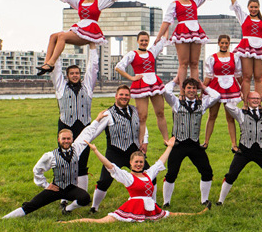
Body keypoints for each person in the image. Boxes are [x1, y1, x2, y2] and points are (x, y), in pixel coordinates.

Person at [62, 137, 211, 223]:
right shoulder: (127, 177)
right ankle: (66, 223)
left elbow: (160, 162)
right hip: (132, 206)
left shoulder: (148, 174)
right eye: (136, 162)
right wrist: (96, 151)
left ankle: (198, 214)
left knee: (169, 214)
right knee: (101, 222)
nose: (139, 164)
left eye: (141, 162)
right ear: (131, 163)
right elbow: (110, 165)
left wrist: (170, 147)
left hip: (150, 206)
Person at [2, 112, 108, 218]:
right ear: (58, 139)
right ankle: (4, 218)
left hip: (71, 189)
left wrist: (97, 120)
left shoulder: (77, 148)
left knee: (85, 198)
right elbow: (37, 170)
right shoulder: (50, 155)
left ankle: (67, 209)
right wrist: (46, 185)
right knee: (31, 205)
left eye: (68, 139)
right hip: (55, 189)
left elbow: (87, 133)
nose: (66, 141)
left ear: (72, 139)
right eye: (63, 139)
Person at [35, 0, 140, 75]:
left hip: (90, 31)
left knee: (62, 36)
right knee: (53, 36)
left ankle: (51, 63)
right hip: (80, 28)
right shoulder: (79, 2)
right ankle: (46, 63)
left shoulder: (99, 2)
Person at [154, 0, 231, 95]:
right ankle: (182, 92)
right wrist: (158, 37)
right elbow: (166, 21)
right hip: (182, 31)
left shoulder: (195, 1)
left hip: (195, 32)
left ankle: (194, 91)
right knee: (183, 63)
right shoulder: (174, 4)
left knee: (194, 63)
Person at [88, 85, 151, 213]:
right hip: (115, 151)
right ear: (116, 96)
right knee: (105, 180)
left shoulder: (135, 110)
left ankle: (152, 203)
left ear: (130, 97)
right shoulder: (108, 114)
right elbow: (95, 132)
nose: (124, 97)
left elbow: (142, 126)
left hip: (133, 152)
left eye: (126, 95)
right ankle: (94, 207)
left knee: (150, 175)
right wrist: (85, 140)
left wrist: (145, 141)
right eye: (121, 95)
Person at [217, 91, 262, 205]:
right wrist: (240, 98)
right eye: (252, 98)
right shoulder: (240, 113)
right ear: (248, 100)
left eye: (257, 98)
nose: (255, 100)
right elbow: (229, 106)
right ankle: (220, 201)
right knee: (231, 175)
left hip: (261, 151)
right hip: (244, 151)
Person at [51, 43, 99, 204]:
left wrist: (93, 47)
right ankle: (63, 199)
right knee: (64, 162)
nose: (75, 75)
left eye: (77, 73)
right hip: (66, 126)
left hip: (84, 126)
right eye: (72, 73)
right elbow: (55, 68)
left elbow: (93, 68)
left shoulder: (87, 86)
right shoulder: (60, 87)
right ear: (67, 75)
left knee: (83, 161)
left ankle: (81, 198)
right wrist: (57, 45)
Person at [162, 76, 220, 207]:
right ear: (184, 89)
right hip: (178, 144)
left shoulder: (202, 103)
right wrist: (175, 81)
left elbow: (216, 96)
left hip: (194, 144)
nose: (192, 90)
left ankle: (204, 200)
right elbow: (166, 91)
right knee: (171, 173)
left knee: (207, 171)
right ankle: (166, 202)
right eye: (189, 88)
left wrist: (204, 87)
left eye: (194, 88)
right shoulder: (176, 102)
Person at [115, 31, 169, 144]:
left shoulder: (152, 51)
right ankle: (141, 142)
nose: (144, 42)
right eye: (142, 40)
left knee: (160, 112)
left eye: (146, 40)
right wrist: (131, 78)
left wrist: (168, 21)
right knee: (142, 116)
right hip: (140, 85)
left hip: (154, 84)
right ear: (138, 41)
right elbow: (118, 67)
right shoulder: (132, 54)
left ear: (148, 41)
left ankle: (166, 140)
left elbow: (164, 38)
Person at [203, 34, 242, 150]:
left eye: (226, 43)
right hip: (216, 87)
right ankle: (205, 142)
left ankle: (234, 144)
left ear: (229, 44)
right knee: (212, 115)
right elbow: (208, 76)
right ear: (218, 43)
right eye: (222, 43)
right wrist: (203, 90)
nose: (224, 45)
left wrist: (245, 90)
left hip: (231, 88)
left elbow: (239, 75)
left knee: (230, 117)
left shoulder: (235, 57)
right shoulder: (212, 58)